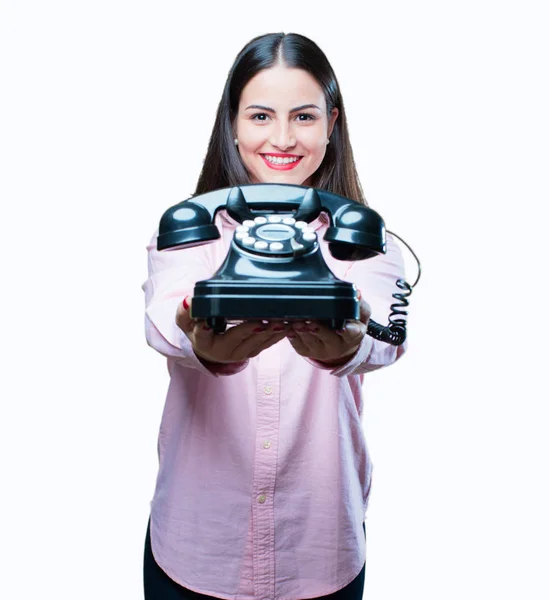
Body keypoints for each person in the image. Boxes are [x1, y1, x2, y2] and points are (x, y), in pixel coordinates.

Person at [141, 32, 408, 600]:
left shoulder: (367, 242)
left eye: (304, 117)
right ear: (232, 124)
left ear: (331, 124)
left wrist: (350, 345)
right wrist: (198, 337)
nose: (282, 138)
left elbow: (385, 334)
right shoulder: (190, 235)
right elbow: (163, 320)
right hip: (196, 550)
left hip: (318, 549)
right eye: (261, 115)